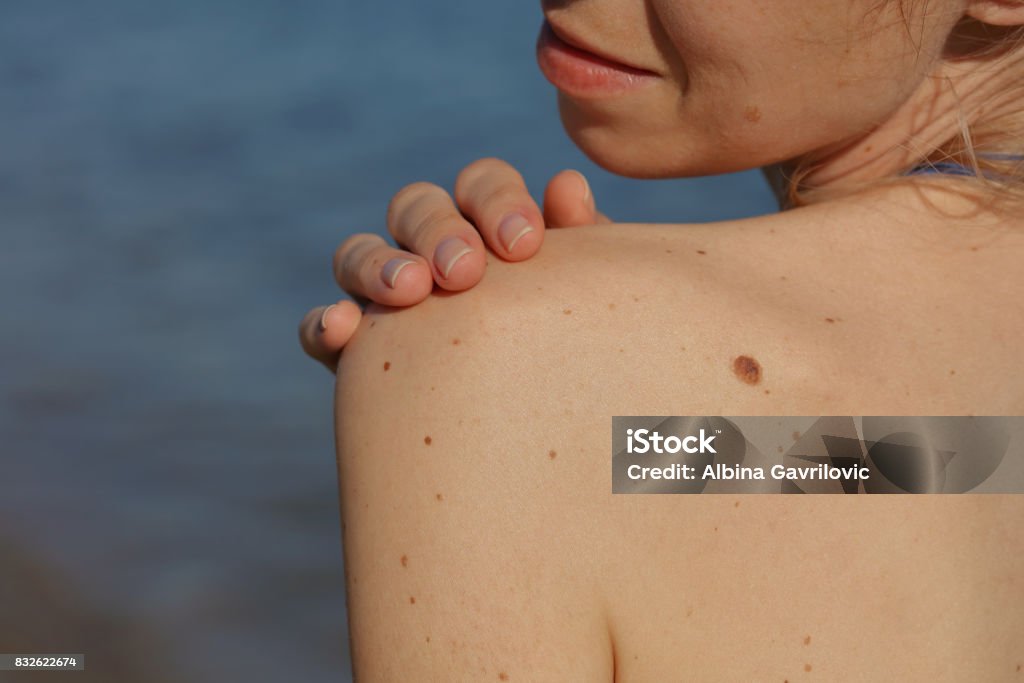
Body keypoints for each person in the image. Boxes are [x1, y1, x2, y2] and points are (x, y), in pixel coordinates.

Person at [300, 1, 1024, 679]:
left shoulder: (494, 362)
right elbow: (955, 458)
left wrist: (483, 385)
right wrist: (620, 394)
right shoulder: (954, 439)